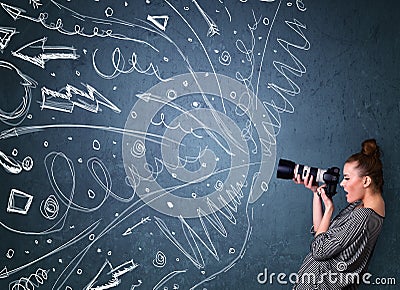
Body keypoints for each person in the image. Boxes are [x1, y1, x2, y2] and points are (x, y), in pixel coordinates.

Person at [292, 139, 385, 290]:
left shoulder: (363, 216)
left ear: (366, 181)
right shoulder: (358, 207)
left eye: (347, 178)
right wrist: (316, 194)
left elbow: (319, 250)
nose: (342, 183)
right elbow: (320, 234)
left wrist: (329, 209)